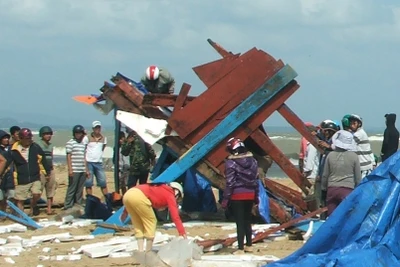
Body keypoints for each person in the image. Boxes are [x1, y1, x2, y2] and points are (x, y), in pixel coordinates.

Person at [120, 182, 186, 252]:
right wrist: (182, 232)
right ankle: (148, 251)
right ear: (177, 192)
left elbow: (133, 197)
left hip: (128, 194)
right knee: (151, 221)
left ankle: (141, 250)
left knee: (138, 223)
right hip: (139, 196)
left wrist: (125, 212)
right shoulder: (170, 193)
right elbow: (175, 216)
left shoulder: (160, 188)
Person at [221, 137, 259, 254]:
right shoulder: (253, 161)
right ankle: (249, 245)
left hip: (237, 195)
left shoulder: (230, 163)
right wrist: (256, 195)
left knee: (239, 221)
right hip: (250, 193)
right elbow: (256, 179)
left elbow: (230, 183)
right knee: (247, 219)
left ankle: (240, 248)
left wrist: (225, 199)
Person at [9, 128, 51, 216]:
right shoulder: (14, 149)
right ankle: (22, 215)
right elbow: (8, 163)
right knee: (20, 199)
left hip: (35, 176)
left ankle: (33, 206)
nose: (29, 140)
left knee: (37, 193)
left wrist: (47, 172)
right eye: (27, 138)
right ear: (21, 138)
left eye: (30, 138)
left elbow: (43, 158)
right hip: (21, 178)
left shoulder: (35, 147)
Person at [321, 130, 361, 216]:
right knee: (345, 217)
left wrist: (324, 189)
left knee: (332, 217)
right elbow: (358, 178)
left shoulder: (330, 155)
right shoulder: (354, 156)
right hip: (347, 190)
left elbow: (325, 175)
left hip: (332, 189)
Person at [64, 125, 90, 210]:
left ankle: (78, 203)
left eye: (80, 133)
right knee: (72, 188)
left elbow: (84, 156)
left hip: (82, 168)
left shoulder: (83, 143)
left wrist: (86, 169)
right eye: (77, 133)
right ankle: (68, 205)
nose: (78, 135)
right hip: (74, 169)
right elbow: (68, 156)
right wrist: (70, 169)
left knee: (80, 189)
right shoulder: (70, 142)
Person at [37, 126, 58, 215]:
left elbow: (51, 157)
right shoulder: (38, 145)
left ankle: (49, 208)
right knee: (38, 189)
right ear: (42, 135)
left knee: (51, 189)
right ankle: (34, 207)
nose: (48, 136)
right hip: (41, 169)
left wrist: (51, 168)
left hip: (50, 169)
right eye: (46, 134)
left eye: (49, 134)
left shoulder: (51, 145)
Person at [84, 121, 108, 196]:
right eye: (96, 127)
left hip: (98, 163)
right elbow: (84, 151)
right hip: (89, 163)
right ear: (93, 128)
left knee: (103, 182)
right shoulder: (87, 138)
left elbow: (102, 149)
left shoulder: (104, 138)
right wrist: (85, 166)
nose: (97, 129)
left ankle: (107, 199)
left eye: (98, 127)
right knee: (88, 183)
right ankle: (90, 199)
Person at [0, 130, 14, 211]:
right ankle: (3, 213)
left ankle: (12, 212)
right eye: (4, 138)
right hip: (2, 175)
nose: (6, 140)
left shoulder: (11, 149)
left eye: (7, 138)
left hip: (11, 175)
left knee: (12, 195)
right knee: (2, 197)